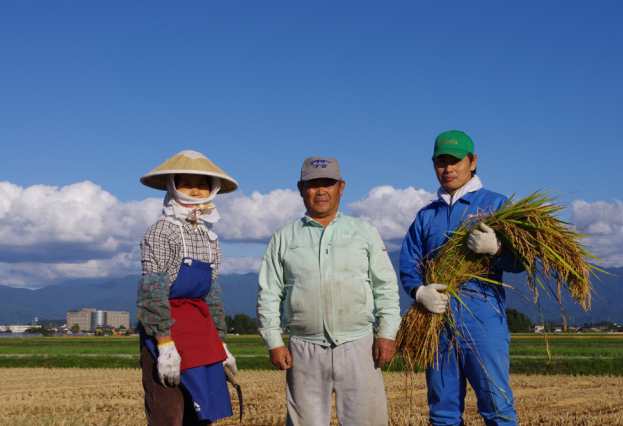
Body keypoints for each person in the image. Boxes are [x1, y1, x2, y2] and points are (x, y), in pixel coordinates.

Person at [257, 157, 401, 426]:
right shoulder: (284, 237)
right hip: (304, 349)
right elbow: (269, 292)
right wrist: (274, 341)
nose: (321, 191)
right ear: (301, 189)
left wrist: (387, 333)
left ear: (341, 187)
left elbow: (386, 287)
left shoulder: (363, 232)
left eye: (328, 183)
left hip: (359, 346)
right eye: (313, 185)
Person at [399, 130, 525, 426]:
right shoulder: (426, 216)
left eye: (455, 161)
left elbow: (522, 261)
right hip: (437, 323)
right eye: (441, 162)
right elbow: (408, 263)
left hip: (483, 321)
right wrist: (419, 292)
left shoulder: (496, 206)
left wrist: (497, 249)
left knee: (497, 408)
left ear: (473, 161)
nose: (448, 169)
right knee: (442, 412)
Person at [137, 150, 238, 425]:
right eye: (186, 182)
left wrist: (220, 341)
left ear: (213, 189)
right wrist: (165, 344)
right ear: (172, 185)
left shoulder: (208, 236)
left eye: (203, 183)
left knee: (202, 414)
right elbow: (152, 290)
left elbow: (212, 293)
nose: (195, 190)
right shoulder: (161, 231)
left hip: (200, 333)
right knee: (169, 414)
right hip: (168, 333)